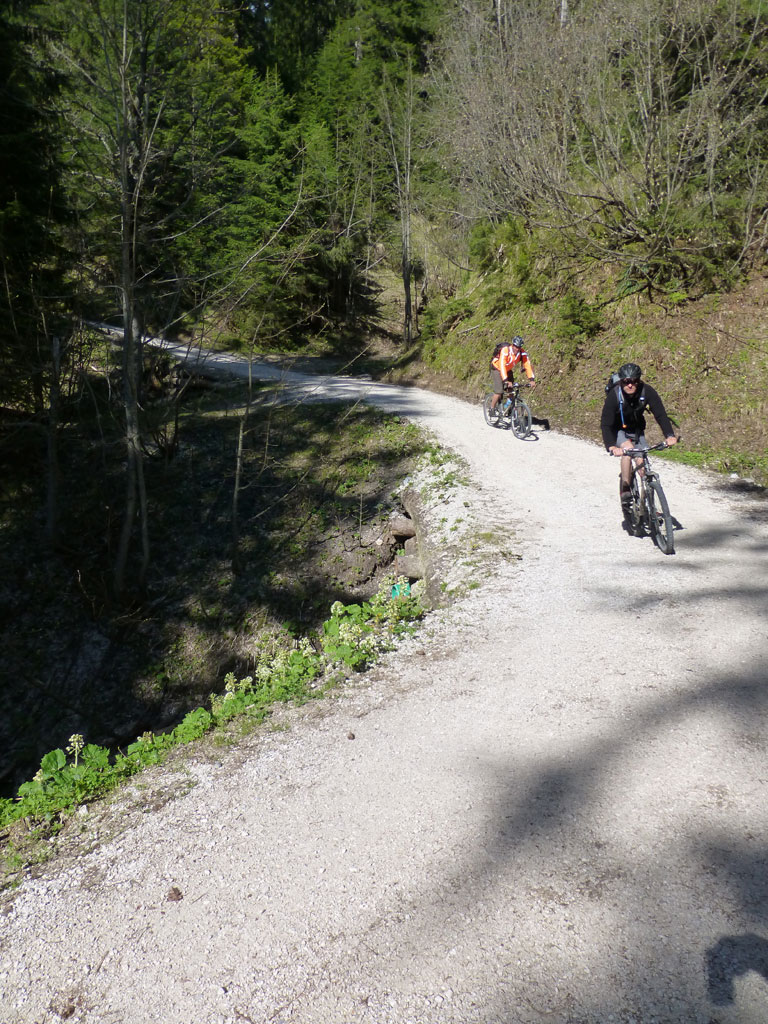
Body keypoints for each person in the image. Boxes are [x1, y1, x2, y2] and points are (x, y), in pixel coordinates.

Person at [601, 362, 678, 513]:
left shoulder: (647, 391)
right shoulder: (614, 395)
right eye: (626, 382)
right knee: (628, 451)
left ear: (639, 380)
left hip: (637, 430)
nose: (630, 385)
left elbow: (661, 414)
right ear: (622, 381)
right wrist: (611, 446)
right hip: (619, 430)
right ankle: (625, 488)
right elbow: (606, 424)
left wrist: (669, 435)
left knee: (642, 461)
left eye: (634, 381)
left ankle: (648, 504)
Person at [489, 336, 536, 412]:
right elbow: (502, 365)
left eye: (518, 347)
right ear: (512, 345)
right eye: (515, 346)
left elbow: (527, 365)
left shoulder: (522, 353)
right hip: (497, 368)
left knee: (511, 390)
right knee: (499, 391)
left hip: (507, 369)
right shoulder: (505, 350)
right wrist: (505, 380)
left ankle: (506, 407)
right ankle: (491, 408)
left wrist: (532, 379)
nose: (516, 349)